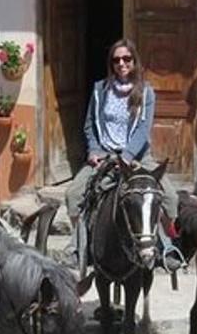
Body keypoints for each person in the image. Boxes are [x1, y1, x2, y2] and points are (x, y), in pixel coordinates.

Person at [65, 38, 182, 271]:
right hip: (106, 155)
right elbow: (90, 124)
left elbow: (143, 129)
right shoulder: (100, 90)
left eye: (126, 59)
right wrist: (93, 150)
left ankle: (166, 246)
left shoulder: (146, 92)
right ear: (111, 63)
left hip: (138, 156)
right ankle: (79, 247)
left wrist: (127, 156)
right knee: (73, 194)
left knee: (169, 197)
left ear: (134, 62)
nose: (122, 63)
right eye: (116, 60)